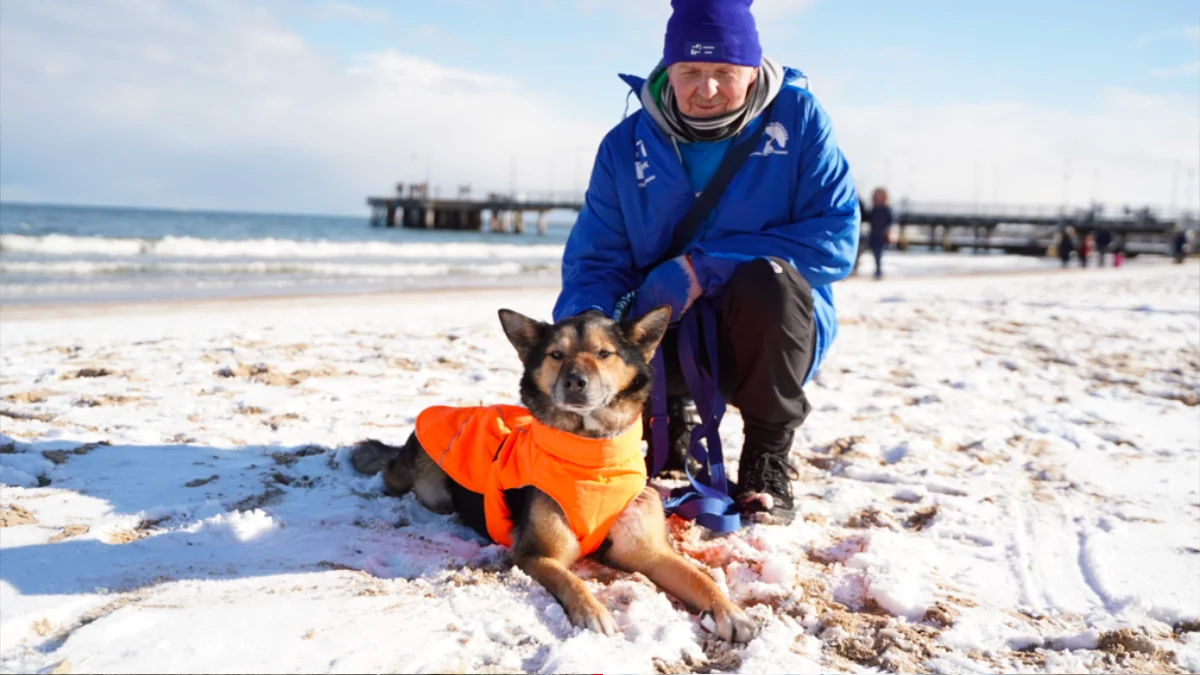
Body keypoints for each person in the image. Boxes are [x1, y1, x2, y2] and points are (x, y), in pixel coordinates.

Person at [552, 0, 859, 524]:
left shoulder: (800, 121)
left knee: (770, 280)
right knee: (608, 328)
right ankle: (670, 420)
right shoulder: (624, 147)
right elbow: (595, 261)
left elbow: (834, 239)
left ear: (752, 70)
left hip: (768, 338)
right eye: (690, 71)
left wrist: (703, 267)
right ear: (667, 70)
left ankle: (766, 460)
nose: (706, 89)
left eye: (724, 73)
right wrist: (589, 325)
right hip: (662, 340)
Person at [864, 187, 895, 279]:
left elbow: (890, 221)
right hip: (873, 235)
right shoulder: (874, 209)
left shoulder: (886, 209)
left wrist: (888, 232)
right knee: (865, 250)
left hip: (881, 236)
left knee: (878, 254)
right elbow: (867, 217)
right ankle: (854, 267)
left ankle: (878, 271)